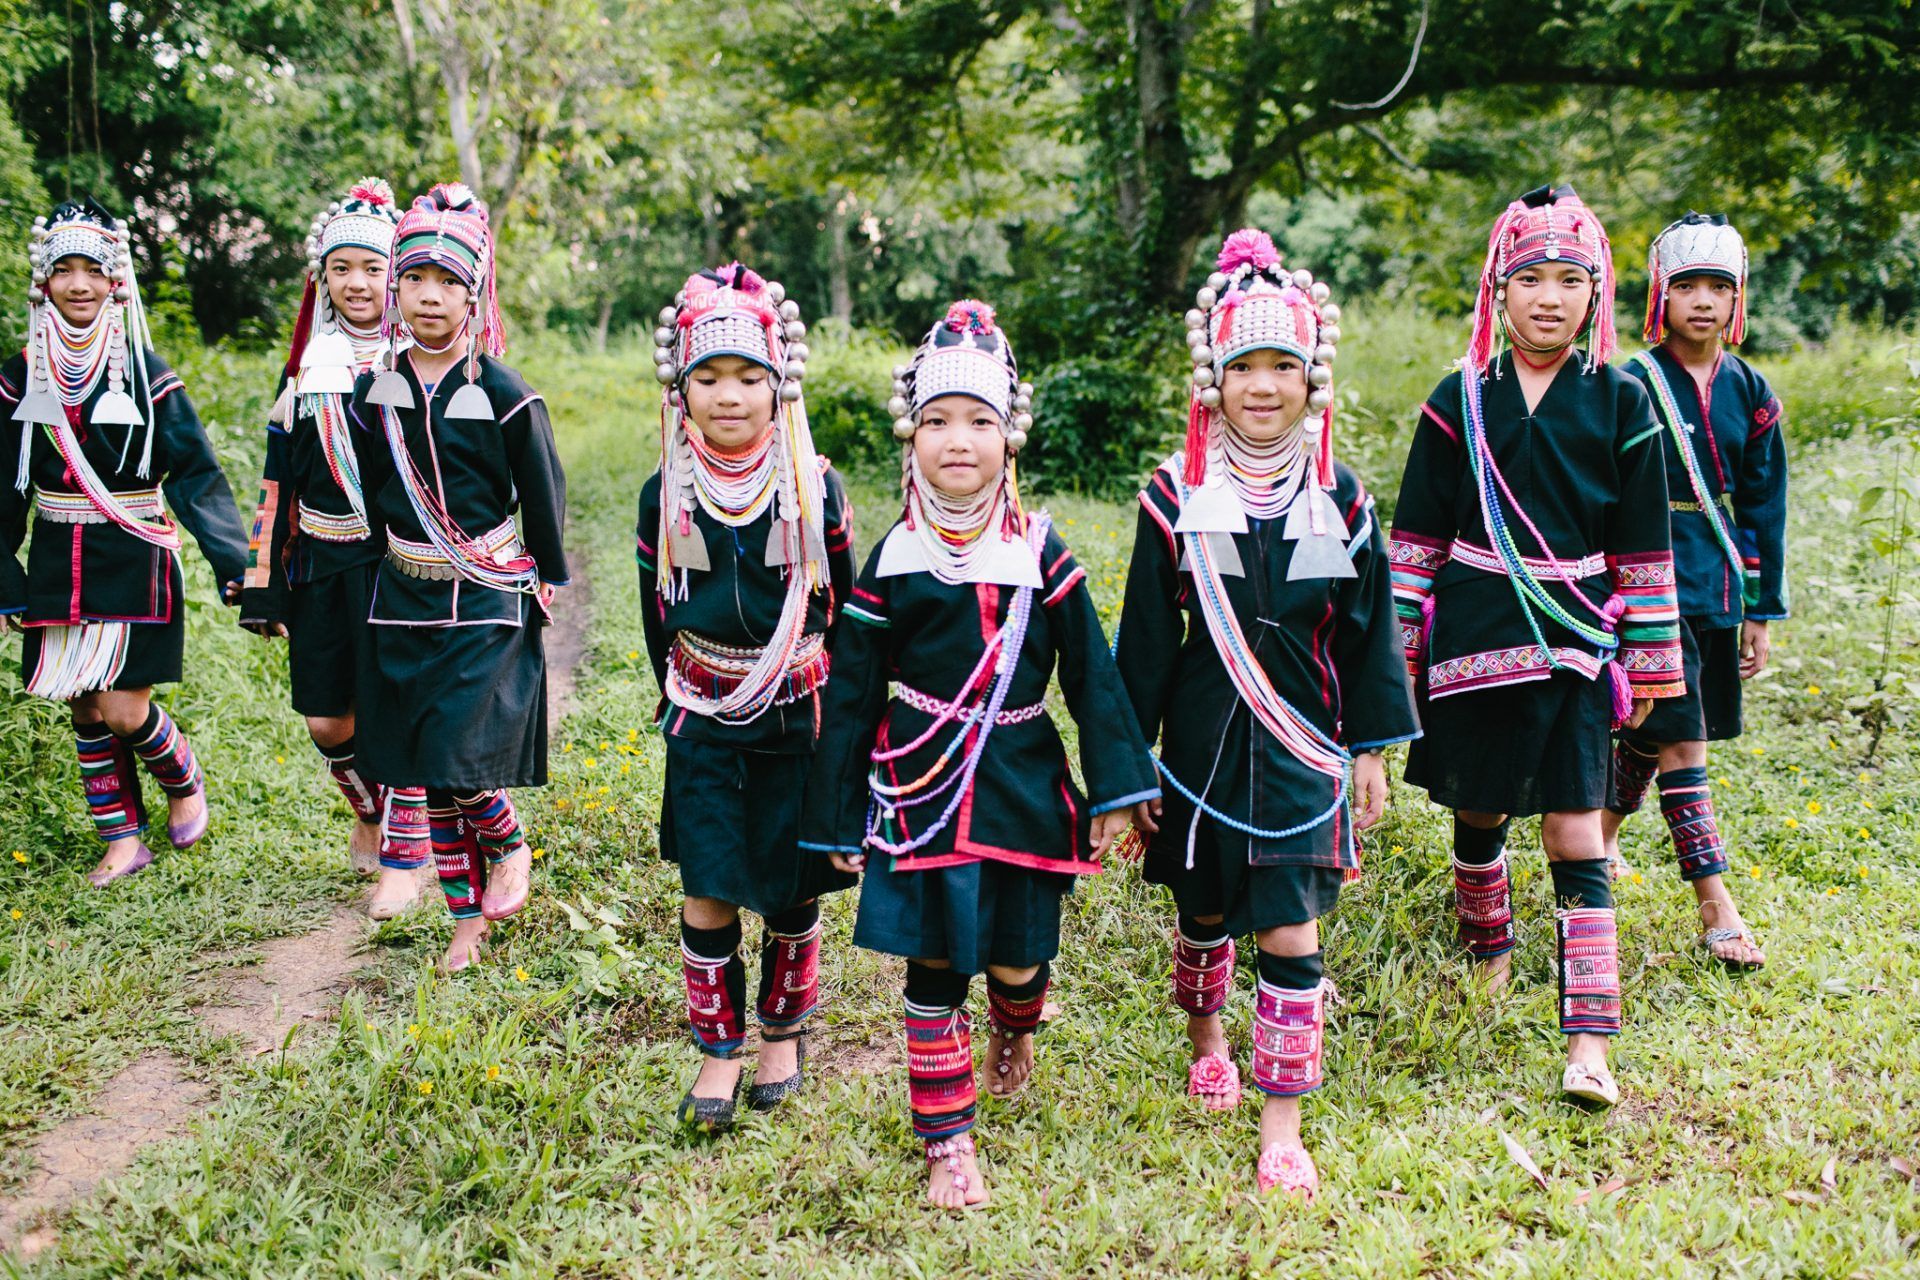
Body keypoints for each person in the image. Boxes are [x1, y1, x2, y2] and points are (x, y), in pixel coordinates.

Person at [802, 300, 1159, 1210]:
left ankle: (1016, 1028)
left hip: (1023, 787)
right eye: (937, 422)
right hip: (919, 792)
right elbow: (850, 696)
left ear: (1011, 438)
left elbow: (1092, 675)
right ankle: (947, 1141)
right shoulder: (894, 557)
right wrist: (838, 814)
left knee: (1016, 962)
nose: (957, 441)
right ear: (910, 437)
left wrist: (1119, 786)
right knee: (934, 970)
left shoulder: (1042, 552)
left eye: (979, 422)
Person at [1113, 229, 1418, 1199]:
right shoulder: (1173, 497)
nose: (1262, 384)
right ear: (1213, 374)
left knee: (1291, 934)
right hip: (1200, 751)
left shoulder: (1343, 498)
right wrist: (1125, 775)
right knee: (1202, 913)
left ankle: (1282, 1122)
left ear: (1310, 375)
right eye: (1242, 363)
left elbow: (1369, 636)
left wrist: (1370, 748)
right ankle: (1208, 1038)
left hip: (1305, 752)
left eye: (1282, 364)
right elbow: (1144, 648)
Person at [1390, 185, 1684, 1108]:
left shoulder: (1624, 399)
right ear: (1498, 291)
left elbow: (1644, 546)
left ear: (1596, 293)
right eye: (1530, 280)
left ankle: (1589, 1039)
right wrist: (1396, 655)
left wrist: (1651, 662)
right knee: (1476, 813)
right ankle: (1488, 956)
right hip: (1473, 631)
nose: (1549, 297)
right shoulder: (1459, 397)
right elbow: (1417, 538)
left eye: (1570, 279)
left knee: (1574, 825)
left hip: (1574, 639)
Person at [637, 263, 857, 1129]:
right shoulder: (666, 492)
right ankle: (717, 1050)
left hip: (796, 714)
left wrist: (841, 726)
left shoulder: (814, 487)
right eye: (709, 379)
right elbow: (656, 613)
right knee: (708, 884)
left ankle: (781, 1034)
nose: (729, 397)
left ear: (780, 386)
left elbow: (842, 607)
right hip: (700, 713)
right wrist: (682, 696)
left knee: (790, 885)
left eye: (749, 378)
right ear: (681, 389)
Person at [347, 183, 567, 973]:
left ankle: (510, 844)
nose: (431, 297)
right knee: (427, 772)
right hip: (402, 596)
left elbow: (543, 493)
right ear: (395, 289)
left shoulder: (505, 393)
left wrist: (545, 580)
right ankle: (465, 922)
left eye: (449, 283)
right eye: (416, 280)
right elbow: (374, 492)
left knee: (455, 756)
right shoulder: (378, 390)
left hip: (485, 590)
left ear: (475, 295)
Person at [1, 198, 249, 886]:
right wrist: (5, 574)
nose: (78, 284)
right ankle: (122, 839)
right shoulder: (22, 373)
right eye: (64, 270)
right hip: (58, 558)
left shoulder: (145, 371)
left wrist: (235, 566)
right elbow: (4, 486)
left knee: (123, 707)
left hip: (134, 553)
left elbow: (197, 473)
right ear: (43, 282)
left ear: (117, 282)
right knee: (83, 704)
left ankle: (184, 778)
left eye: (92, 270)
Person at [239, 180, 430, 918]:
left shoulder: (421, 365)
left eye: (375, 269)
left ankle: (407, 863)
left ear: (397, 277)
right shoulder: (306, 371)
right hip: (322, 561)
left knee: (399, 706)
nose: (358, 283)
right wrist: (265, 584)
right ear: (323, 278)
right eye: (342, 268)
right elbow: (276, 484)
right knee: (329, 721)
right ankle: (372, 811)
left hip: (398, 566)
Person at [1601, 213, 1787, 970]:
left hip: (1715, 578)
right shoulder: (1628, 383)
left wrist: (1761, 608)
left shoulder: (1752, 388)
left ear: (1737, 298)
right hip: (1643, 580)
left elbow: (1765, 501)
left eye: (1719, 286)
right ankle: (1716, 903)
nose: (1703, 301)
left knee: (1657, 723)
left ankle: (1602, 833)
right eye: (1687, 286)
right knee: (1684, 735)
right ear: (1661, 296)